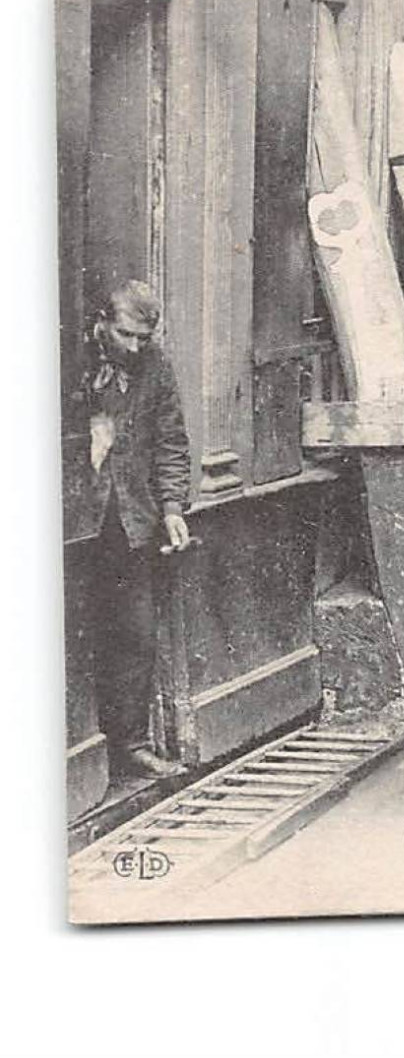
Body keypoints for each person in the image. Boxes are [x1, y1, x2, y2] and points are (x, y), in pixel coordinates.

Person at [80, 280, 192, 778]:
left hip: (132, 524)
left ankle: (130, 746)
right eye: (126, 335)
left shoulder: (155, 365)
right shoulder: (75, 361)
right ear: (103, 322)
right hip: (77, 524)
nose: (135, 347)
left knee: (137, 634)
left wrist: (172, 507)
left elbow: (171, 440)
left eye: (144, 338)